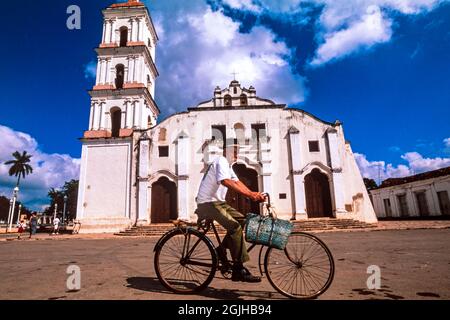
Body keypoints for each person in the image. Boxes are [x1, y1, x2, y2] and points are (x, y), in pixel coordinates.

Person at [196, 139, 266, 283]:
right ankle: (238, 269)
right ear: (226, 151)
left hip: (218, 202)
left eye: (237, 152)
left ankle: (221, 250)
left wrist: (253, 194)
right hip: (208, 203)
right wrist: (251, 195)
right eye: (234, 151)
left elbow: (236, 182)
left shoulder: (227, 165)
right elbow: (225, 182)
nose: (237, 155)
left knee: (242, 221)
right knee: (234, 227)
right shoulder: (221, 160)